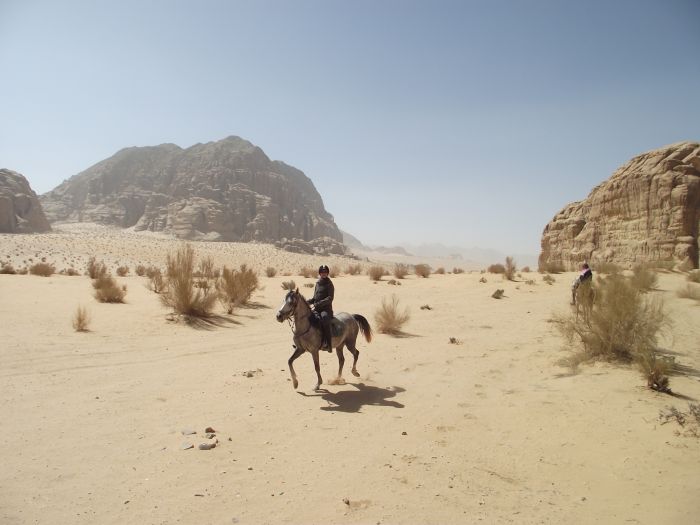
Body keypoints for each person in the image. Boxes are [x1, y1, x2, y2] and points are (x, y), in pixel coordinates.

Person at [308, 265, 335, 352]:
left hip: (326, 309)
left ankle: (328, 344)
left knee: (324, 318)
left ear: (327, 273)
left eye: (325, 272)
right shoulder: (318, 283)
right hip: (317, 309)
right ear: (320, 273)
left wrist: (319, 303)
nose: (324, 274)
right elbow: (314, 298)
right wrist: (306, 302)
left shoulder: (329, 284)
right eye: (322, 272)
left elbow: (330, 298)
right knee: (307, 317)